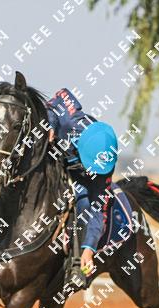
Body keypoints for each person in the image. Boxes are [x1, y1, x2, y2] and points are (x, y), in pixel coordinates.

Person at [46, 89, 118, 279]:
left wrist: (89, 249)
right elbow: (59, 96)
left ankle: (75, 257)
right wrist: (51, 124)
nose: (92, 172)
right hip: (51, 160)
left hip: (76, 178)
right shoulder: (72, 120)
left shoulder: (104, 170)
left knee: (84, 202)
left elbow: (99, 210)